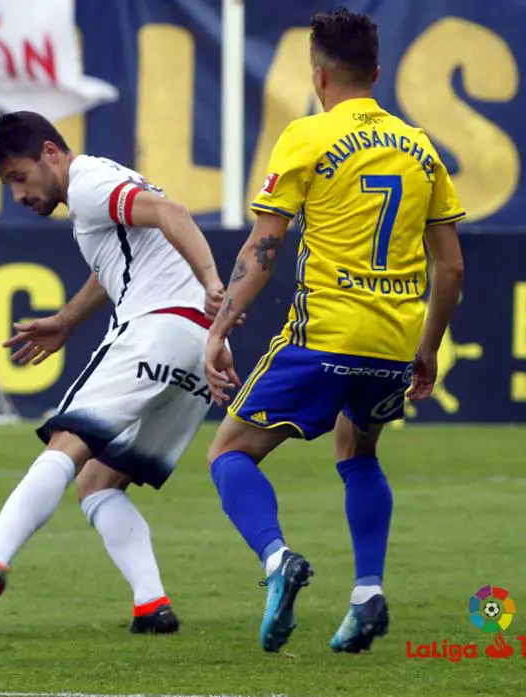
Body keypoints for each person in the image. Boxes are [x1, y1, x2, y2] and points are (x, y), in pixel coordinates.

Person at [201, 6, 466, 655]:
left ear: (317, 74)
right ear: (377, 71)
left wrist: (220, 327)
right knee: (358, 453)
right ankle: (367, 592)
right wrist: (426, 349)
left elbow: (264, 247)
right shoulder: (422, 147)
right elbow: (452, 265)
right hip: (393, 344)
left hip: (323, 335)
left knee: (229, 452)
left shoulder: (308, 136)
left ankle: (276, 558)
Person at [0, 111, 230, 636]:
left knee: (65, 443)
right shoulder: (100, 193)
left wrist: (215, 284)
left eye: (18, 177)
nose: (18, 194)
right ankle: (152, 604)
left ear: (51, 154)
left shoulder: (88, 186)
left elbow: (172, 213)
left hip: (159, 327)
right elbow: (116, 265)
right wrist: (65, 321)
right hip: (198, 351)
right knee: (98, 482)